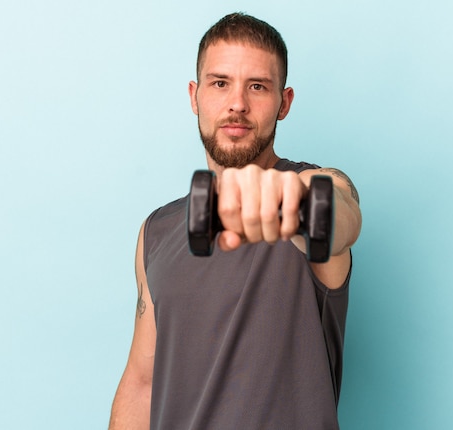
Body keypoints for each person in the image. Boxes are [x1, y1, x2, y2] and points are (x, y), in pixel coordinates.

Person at [109, 12, 362, 430]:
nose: (237, 104)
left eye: (257, 87)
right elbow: (141, 384)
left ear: (284, 103)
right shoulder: (156, 231)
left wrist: (295, 205)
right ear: (195, 96)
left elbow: (341, 216)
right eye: (220, 83)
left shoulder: (311, 186)